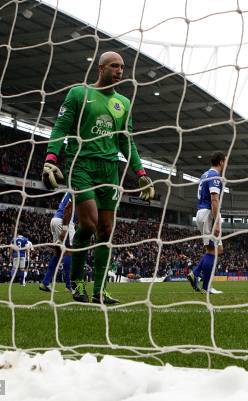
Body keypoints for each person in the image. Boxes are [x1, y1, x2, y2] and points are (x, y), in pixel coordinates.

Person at [41, 51, 155, 304]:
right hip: (81, 164)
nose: (119, 71)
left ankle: (99, 290)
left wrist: (141, 173)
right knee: (90, 224)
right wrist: (51, 158)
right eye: (114, 66)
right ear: (100, 68)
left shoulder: (123, 103)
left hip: (110, 169)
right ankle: (77, 282)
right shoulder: (79, 94)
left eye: (122, 67)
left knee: (105, 230)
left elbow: (127, 141)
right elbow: (61, 128)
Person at [187, 151, 225, 294]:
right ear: (221, 162)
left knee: (218, 249)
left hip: (202, 213)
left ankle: (197, 275)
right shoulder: (215, 176)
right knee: (211, 250)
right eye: (225, 161)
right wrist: (217, 222)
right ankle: (205, 285)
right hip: (209, 213)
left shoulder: (204, 175)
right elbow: (214, 199)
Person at [39, 192, 76, 293]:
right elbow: (69, 208)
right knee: (68, 251)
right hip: (64, 222)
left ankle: (45, 282)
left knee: (58, 253)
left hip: (55, 219)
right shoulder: (78, 188)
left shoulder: (70, 190)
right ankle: (69, 285)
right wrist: (64, 229)